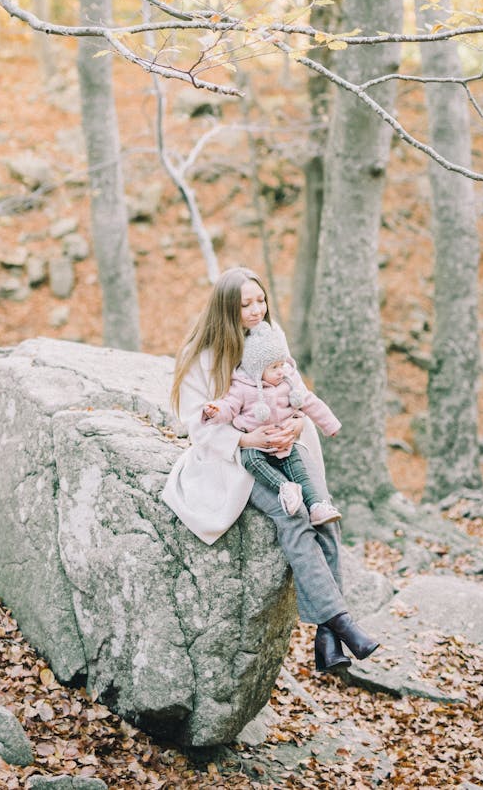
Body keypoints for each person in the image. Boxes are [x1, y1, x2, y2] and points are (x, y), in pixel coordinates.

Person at [162, 265, 379, 673]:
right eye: (245, 304)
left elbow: (294, 393)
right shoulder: (203, 358)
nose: (256, 309)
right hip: (239, 461)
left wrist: (297, 423)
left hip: (288, 446)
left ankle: (327, 638)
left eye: (260, 300)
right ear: (226, 309)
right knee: (292, 514)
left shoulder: (270, 339)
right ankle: (342, 624)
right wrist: (246, 440)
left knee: (325, 515)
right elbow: (197, 425)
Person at [201, 319, 342, 526]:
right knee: (252, 462)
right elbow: (229, 407)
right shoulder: (242, 388)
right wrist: (215, 411)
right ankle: (284, 487)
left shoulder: (289, 384)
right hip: (256, 446)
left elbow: (311, 402)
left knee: (300, 469)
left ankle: (316, 507)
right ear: (258, 371)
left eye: (282, 364)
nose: (281, 371)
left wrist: (330, 425)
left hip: (285, 444)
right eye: (274, 367)